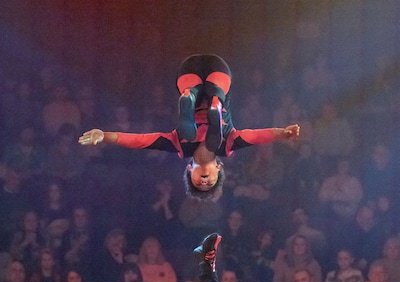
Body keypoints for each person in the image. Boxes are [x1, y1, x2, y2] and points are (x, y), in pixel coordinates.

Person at [79, 54, 300, 201]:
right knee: (216, 129)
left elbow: (141, 141)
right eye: (210, 182)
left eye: (198, 182)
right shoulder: (229, 145)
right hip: (217, 76)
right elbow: (257, 136)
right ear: (219, 170)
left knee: (187, 132)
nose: (204, 181)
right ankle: (215, 107)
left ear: (189, 170)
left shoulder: (179, 147)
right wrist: (283, 133)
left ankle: (189, 100)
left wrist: (105, 135)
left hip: (189, 76)